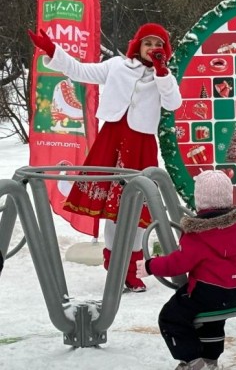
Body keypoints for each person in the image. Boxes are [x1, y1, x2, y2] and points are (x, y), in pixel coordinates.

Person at [28, 23, 182, 292]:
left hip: (141, 145)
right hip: (111, 141)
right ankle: (114, 265)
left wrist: (162, 73)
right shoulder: (116, 66)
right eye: (148, 43)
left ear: (165, 50)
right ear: (137, 45)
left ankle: (133, 268)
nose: (153, 49)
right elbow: (80, 70)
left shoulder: (163, 77)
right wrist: (54, 50)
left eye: (158, 44)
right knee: (112, 211)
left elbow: (173, 103)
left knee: (138, 211)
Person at [136, 170, 236, 370]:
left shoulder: (199, 232)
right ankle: (211, 360)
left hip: (208, 292)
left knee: (171, 318)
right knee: (212, 321)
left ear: (200, 201)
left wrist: (150, 266)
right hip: (235, 291)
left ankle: (193, 361)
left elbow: (179, 263)